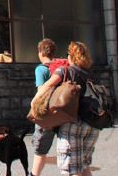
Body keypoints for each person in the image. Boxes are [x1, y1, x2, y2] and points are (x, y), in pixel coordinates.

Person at [40, 41, 98, 176]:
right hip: (93, 125)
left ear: (71, 56)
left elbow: (46, 87)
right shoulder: (90, 74)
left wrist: (35, 104)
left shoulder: (65, 71)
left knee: (71, 169)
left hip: (73, 125)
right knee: (83, 165)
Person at [31, 38, 67, 176]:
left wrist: (34, 106)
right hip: (63, 112)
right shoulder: (61, 67)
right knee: (65, 147)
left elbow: (41, 91)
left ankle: (34, 174)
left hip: (47, 113)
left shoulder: (41, 69)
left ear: (41, 52)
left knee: (40, 149)